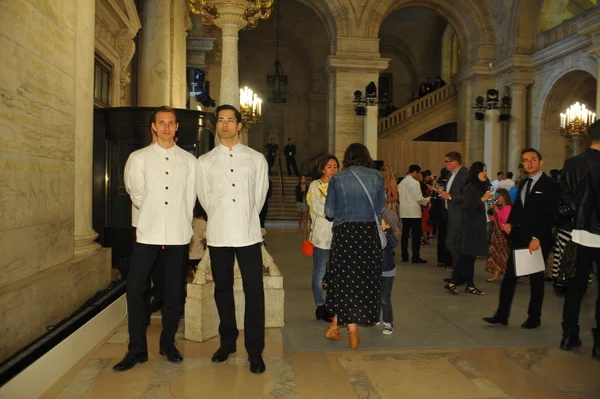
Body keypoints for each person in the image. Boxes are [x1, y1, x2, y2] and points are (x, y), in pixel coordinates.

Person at [114, 106, 196, 372]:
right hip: (147, 232)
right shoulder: (138, 158)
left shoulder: (189, 161)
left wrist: (175, 219)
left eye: (171, 123)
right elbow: (136, 193)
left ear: (177, 127)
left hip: (177, 233)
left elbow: (191, 197)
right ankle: (136, 348)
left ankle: (168, 342)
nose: (166, 128)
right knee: (135, 288)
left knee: (174, 291)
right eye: (161, 123)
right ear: (153, 127)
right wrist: (155, 215)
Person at [196, 104, 269, 374]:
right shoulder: (205, 162)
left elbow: (259, 197)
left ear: (240, 125)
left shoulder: (256, 159)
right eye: (221, 120)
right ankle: (227, 342)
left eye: (230, 120)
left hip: (248, 233)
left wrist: (245, 217)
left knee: (254, 291)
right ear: (217, 126)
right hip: (218, 234)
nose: (225, 124)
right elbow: (204, 198)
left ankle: (255, 350)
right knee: (222, 290)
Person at [483, 148, 562, 329]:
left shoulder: (551, 185)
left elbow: (550, 215)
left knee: (536, 280)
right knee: (509, 277)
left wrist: (537, 237)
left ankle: (534, 318)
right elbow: (519, 207)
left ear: (541, 162)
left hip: (537, 239)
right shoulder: (524, 183)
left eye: (533, 159)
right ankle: (501, 315)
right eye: (526, 161)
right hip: (520, 237)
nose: (529, 163)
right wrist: (510, 222)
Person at [324, 143, 385, 349]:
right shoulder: (376, 176)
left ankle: (351, 332)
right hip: (368, 234)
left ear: (346, 158)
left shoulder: (338, 178)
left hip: (345, 234)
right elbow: (380, 207)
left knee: (344, 281)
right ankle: (339, 327)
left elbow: (330, 212)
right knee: (364, 282)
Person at [559, 120, 600, 359]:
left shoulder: (572, 163)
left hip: (579, 234)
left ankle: (569, 335)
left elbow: (563, 203)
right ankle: (598, 344)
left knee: (575, 288)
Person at [443, 162, 493, 296]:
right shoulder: (470, 188)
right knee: (466, 256)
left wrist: (488, 203)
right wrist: (482, 200)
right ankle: (454, 282)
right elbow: (469, 208)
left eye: (486, 170)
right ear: (476, 172)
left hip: (477, 225)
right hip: (471, 226)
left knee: (470, 257)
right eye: (482, 171)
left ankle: (469, 285)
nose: (485, 173)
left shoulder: (479, 187)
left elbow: (478, 206)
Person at [306, 155, 340, 322]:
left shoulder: (340, 185)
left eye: (335, 166)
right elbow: (320, 208)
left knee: (335, 273)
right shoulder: (315, 185)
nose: (333, 170)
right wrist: (334, 211)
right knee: (320, 272)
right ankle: (320, 305)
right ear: (322, 169)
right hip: (321, 235)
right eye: (329, 166)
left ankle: (333, 304)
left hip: (338, 235)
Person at [437, 152, 470, 269]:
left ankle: (461, 271)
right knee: (451, 244)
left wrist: (450, 196)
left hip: (459, 214)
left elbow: (468, 196)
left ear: (454, 162)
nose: (445, 164)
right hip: (449, 213)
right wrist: (443, 194)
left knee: (452, 243)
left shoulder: (465, 174)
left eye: (447, 161)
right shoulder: (451, 175)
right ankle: (458, 271)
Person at [398, 165, 430, 263]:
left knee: (405, 235)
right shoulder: (415, 183)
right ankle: (415, 256)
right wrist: (427, 199)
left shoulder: (401, 183)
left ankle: (404, 256)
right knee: (416, 235)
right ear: (415, 172)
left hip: (404, 211)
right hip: (414, 212)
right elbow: (419, 198)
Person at [485, 188, 512, 282]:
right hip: (496, 234)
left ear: (504, 197)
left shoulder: (508, 208)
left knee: (504, 255)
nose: (497, 199)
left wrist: (496, 210)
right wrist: (491, 217)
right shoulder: (500, 208)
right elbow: (498, 220)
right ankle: (496, 274)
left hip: (503, 235)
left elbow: (505, 219)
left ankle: (507, 273)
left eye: (498, 197)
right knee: (496, 254)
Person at [380, 208, 399, 335]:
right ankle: (375, 317)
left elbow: (394, 244)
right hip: (376, 270)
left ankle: (388, 322)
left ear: (387, 224)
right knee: (375, 296)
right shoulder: (377, 232)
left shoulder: (388, 235)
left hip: (387, 271)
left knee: (384, 298)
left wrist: (386, 232)